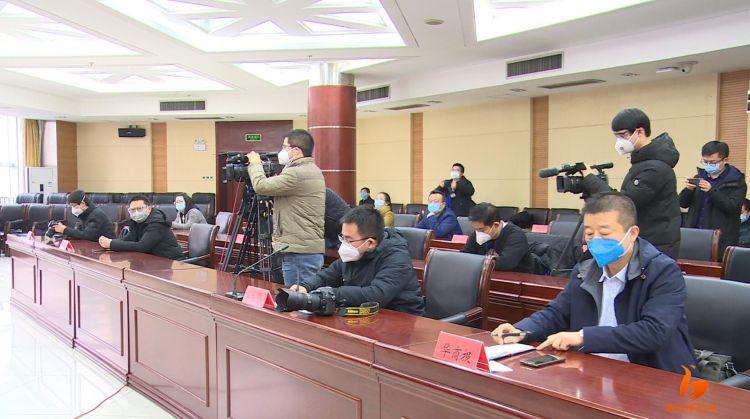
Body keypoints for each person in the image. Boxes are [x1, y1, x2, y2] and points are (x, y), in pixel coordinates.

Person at [492, 192, 695, 374]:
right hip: (593, 368)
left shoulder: (663, 272)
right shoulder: (586, 268)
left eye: (604, 234)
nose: (595, 241)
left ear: (632, 233)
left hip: (650, 373)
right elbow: (557, 313)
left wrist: (584, 337)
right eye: (589, 234)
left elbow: (654, 332)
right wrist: (522, 330)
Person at [580, 108, 681, 258]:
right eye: (617, 136)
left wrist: (590, 179)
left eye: (623, 135)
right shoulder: (643, 162)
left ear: (639, 132)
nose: (619, 141)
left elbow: (624, 202)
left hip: (654, 245)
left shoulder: (656, 168)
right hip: (643, 240)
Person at [291, 206, 425, 315]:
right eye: (342, 238)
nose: (344, 244)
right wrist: (305, 286)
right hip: (364, 315)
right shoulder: (354, 253)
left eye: (349, 240)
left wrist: (332, 294)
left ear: (370, 243)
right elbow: (327, 276)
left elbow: (376, 295)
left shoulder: (397, 258)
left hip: (401, 318)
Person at [246, 129, 325, 286]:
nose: (281, 151)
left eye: (284, 147)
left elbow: (261, 186)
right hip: (303, 248)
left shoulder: (297, 173)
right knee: (302, 296)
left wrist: (254, 164)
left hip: (299, 252)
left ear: (296, 151)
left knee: (297, 297)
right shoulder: (308, 170)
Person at [678, 141, 746, 259]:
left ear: (725, 160)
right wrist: (688, 190)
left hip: (720, 240)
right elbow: (682, 203)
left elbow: (732, 207)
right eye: (705, 161)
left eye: (713, 162)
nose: (708, 165)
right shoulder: (700, 177)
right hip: (694, 235)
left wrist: (712, 191)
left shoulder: (736, 182)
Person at [98, 195, 184, 260]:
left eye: (139, 209)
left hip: (169, 261)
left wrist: (111, 244)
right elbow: (130, 238)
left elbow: (142, 246)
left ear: (149, 209)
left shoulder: (157, 223)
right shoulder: (136, 222)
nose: (136, 212)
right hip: (151, 260)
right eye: (132, 210)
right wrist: (110, 242)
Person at [462, 203, 536, 273]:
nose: (478, 232)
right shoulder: (477, 232)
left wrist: (474, 261)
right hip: (490, 275)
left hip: (520, 277)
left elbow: (505, 263)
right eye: (475, 229)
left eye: (481, 229)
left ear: (496, 225)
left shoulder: (516, 235)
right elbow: (464, 256)